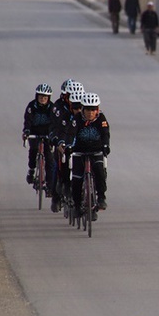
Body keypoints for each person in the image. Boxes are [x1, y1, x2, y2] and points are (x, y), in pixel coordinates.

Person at [67, 92, 110, 222]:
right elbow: (71, 134)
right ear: (83, 109)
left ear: (97, 110)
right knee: (76, 179)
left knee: (100, 172)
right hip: (79, 151)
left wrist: (106, 146)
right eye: (87, 110)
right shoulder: (77, 120)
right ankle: (77, 205)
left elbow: (105, 134)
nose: (90, 113)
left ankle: (101, 197)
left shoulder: (101, 119)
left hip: (96, 150)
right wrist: (68, 146)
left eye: (93, 110)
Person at [49, 80, 83, 212]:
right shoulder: (58, 107)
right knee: (58, 164)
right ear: (65, 96)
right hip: (61, 137)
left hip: (78, 139)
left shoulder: (83, 106)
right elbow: (54, 126)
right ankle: (56, 197)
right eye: (70, 96)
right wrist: (56, 140)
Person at [23, 84, 55, 194]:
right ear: (37, 96)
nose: (43, 100)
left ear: (49, 98)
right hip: (34, 132)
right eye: (41, 97)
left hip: (47, 134)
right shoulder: (31, 106)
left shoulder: (52, 108)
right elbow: (27, 120)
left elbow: (54, 123)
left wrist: (52, 134)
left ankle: (50, 186)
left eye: (45, 98)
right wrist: (26, 131)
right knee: (33, 151)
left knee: (49, 159)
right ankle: (31, 170)